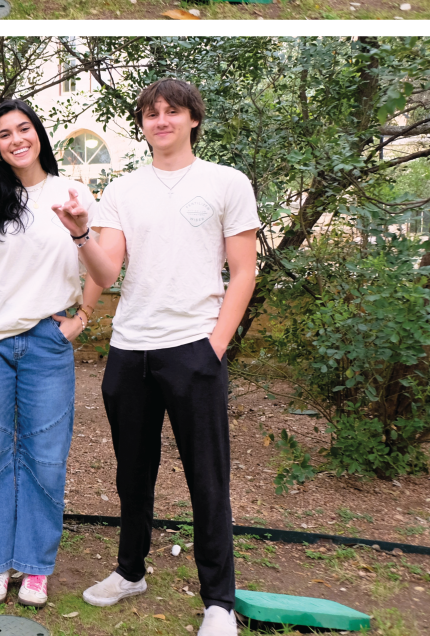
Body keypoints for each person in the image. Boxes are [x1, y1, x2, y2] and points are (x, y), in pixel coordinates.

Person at [62, 79, 259, 636]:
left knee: (207, 478)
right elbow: (109, 270)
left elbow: (243, 271)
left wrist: (215, 345)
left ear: (193, 118)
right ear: (142, 125)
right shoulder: (124, 189)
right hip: (130, 352)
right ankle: (130, 571)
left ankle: (219, 601)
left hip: (194, 349)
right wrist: (82, 233)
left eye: (172, 111)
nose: (161, 120)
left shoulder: (226, 182)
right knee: (133, 475)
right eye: (151, 114)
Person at [0, 98, 107, 607]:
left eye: (23, 129)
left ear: (38, 135)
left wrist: (81, 320)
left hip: (45, 342)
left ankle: (34, 567)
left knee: (46, 458)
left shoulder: (73, 193)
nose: (16, 140)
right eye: (4, 134)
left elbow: (98, 267)